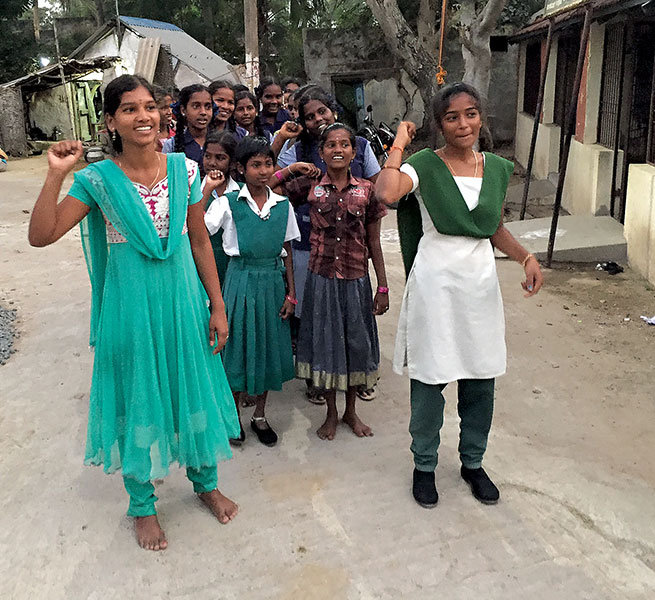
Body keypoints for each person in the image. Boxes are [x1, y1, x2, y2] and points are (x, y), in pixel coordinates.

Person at [27, 74, 239, 551]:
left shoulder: (185, 170)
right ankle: (142, 504)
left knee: (193, 387)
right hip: (129, 307)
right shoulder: (98, 181)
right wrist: (57, 174)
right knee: (139, 395)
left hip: (182, 301)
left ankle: (205, 483)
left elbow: (199, 238)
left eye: (150, 106)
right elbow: (41, 235)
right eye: (129, 109)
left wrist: (217, 303)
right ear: (111, 121)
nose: (143, 116)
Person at [374, 82, 544, 508]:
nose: (462, 123)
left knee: (480, 377)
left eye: (470, 114)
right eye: (452, 117)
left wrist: (525, 258)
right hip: (436, 283)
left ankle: (473, 462)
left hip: (479, 286)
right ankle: (424, 464)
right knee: (431, 378)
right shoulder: (424, 166)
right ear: (439, 124)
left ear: (480, 118)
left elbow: (492, 227)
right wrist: (398, 143)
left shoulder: (497, 169)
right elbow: (386, 192)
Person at [273, 124, 388, 440]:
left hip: (356, 280)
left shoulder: (366, 190)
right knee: (326, 346)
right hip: (321, 279)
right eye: (331, 145)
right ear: (321, 152)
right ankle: (331, 414)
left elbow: (374, 242)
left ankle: (352, 412)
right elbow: (268, 187)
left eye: (345, 144)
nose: (338, 149)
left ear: (354, 151)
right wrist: (292, 168)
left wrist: (382, 287)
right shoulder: (309, 187)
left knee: (354, 345)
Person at [203, 137, 300, 447]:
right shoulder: (227, 203)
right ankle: (232, 414)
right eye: (255, 165)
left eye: (268, 164)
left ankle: (260, 414)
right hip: (240, 280)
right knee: (238, 347)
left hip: (272, 283)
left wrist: (291, 294)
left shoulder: (283, 205)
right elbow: (199, 233)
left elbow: (287, 250)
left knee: (267, 348)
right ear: (241, 169)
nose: (263, 171)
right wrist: (205, 191)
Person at [199, 130, 240, 286]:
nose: (212, 163)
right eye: (207, 156)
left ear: (232, 162)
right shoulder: (193, 189)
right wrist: (208, 189)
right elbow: (191, 224)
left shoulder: (240, 192)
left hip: (231, 265)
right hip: (201, 263)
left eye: (220, 158)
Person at [162, 84, 213, 166]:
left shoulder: (220, 142)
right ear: (183, 110)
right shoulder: (171, 145)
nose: (203, 112)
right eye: (196, 106)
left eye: (208, 107)